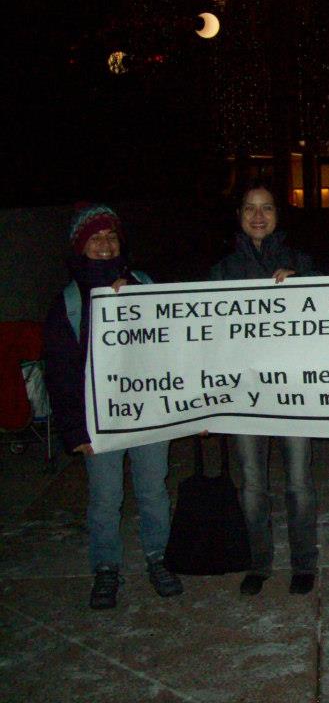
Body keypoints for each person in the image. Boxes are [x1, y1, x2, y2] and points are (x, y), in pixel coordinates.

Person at [43, 203, 183, 609]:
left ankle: (159, 557)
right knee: (105, 497)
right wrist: (75, 431)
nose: (104, 245)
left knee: (153, 489)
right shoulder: (68, 303)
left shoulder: (144, 283)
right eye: (95, 238)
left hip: (149, 412)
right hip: (100, 421)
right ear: (80, 246)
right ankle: (106, 568)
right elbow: (60, 372)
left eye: (111, 237)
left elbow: (173, 343)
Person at [209, 180, 319, 595]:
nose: (259, 216)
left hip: (293, 392)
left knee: (298, 482)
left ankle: (303, 563)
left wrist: (302, 283)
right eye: (250, 208)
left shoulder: (301, 261)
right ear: (239, 216)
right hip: (244, 395)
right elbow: (204, 336)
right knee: (253, 485)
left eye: (267, 208)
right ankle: (259, 563)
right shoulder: (222, 270)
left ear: (278, 216)